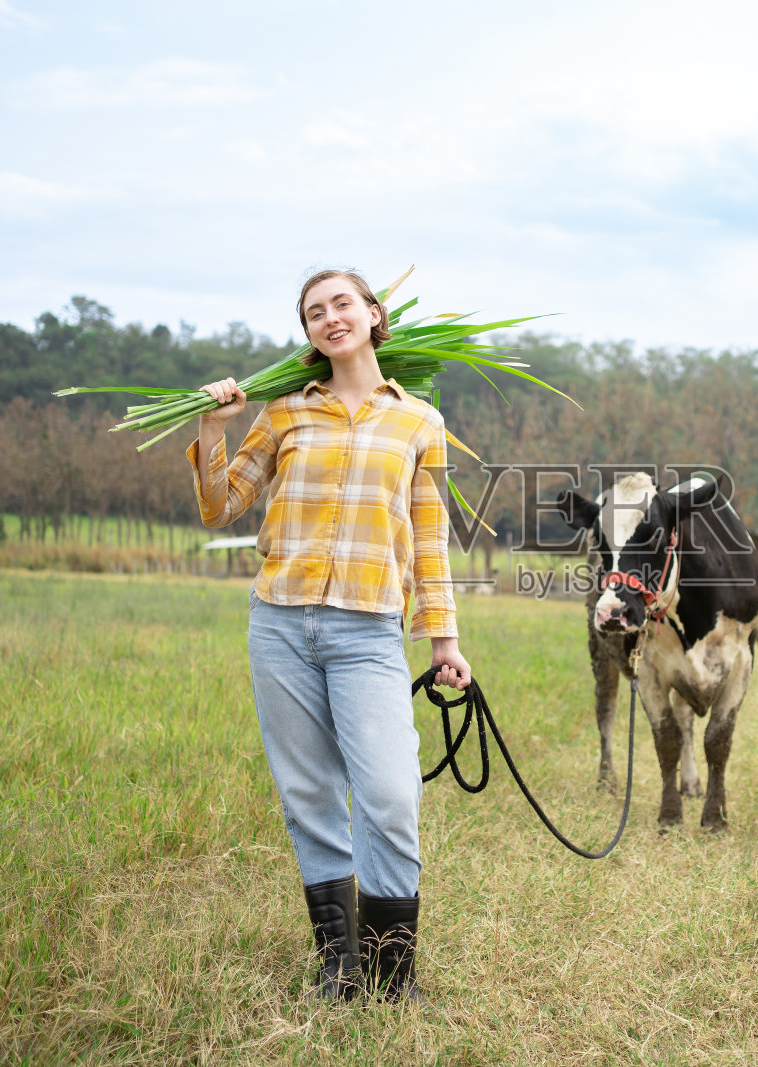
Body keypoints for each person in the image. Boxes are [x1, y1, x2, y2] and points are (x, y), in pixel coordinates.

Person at [188, 268, 470, 1004]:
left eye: (343, 303)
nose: (330, 317)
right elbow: (221, 506)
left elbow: (430, 540)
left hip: (368, 628)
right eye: (315, 312)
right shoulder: (284, 411)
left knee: (390, 795)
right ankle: (340, 966)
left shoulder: (418, 422)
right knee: (310, 793)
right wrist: (213, 428)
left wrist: (443, 641)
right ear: (309, 334)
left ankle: (393, 975)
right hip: (279, 622)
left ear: (374, 315)